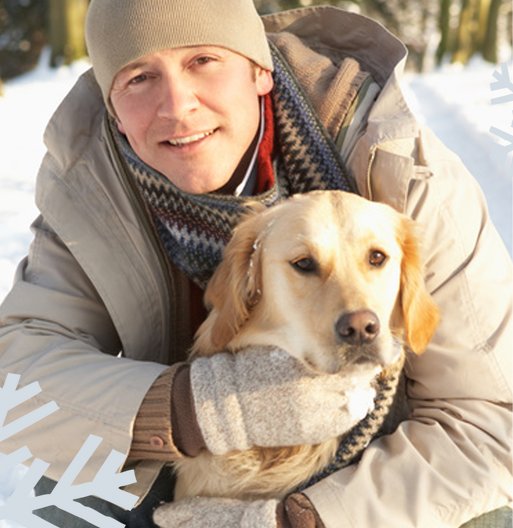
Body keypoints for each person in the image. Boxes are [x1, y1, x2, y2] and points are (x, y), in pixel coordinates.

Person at [0, 0, 511, 526]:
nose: (177, 105)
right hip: (184, 463)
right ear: (112, 107)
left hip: (379, 470)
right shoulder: (89, 190)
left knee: (485, 513)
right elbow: (15, 384)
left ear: (259, 70)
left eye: (203, 61)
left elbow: (491, 424)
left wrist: (299, 519)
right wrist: (200, 410)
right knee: (64, 486)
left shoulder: (410, 177)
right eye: (139, 78)